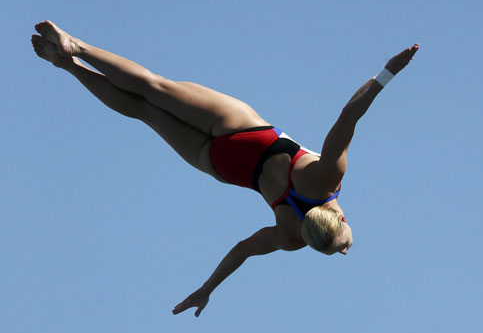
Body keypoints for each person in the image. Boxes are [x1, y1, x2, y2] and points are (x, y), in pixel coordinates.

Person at [31, 20, 419, 317]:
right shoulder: (291, 236)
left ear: (341, 217)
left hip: (245, 134)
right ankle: (68, 65)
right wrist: (208, 287)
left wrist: (387, 73)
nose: (346, 250)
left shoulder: (326, 179)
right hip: (221, 165)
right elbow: (243, 250)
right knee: (144, 111)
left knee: (155, 88)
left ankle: (77, 45)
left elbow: (348, 118)